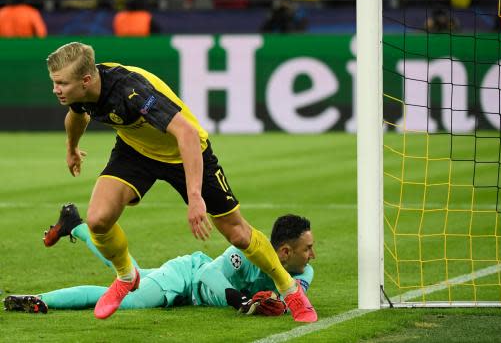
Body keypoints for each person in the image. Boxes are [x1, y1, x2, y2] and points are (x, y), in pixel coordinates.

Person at [44, 42, 317, 322]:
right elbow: (77, 116)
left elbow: (185, 133)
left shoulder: (131, 91)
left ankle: (291, 290)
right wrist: (71, 148)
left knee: (237, 233)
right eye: (55, 82)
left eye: (61, 83)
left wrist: (195, 196)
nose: (56, 89)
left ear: (86, 80)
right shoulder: (79, 91)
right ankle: (127, 275)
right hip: (136, 150)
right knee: (98, 220)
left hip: (185, 150)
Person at [5, 208, 315, 317]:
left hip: (185, 290)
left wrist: (271, 305)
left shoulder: (304, 272)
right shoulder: (247, 253)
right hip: (184, 278)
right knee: (124, 299)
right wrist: (240, 300)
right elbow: (208, 273)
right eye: (307, 249)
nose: (312, 256)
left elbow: (286, 301)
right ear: (284, 252)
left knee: (128, 271)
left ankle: (75, 225)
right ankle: (40, 299)